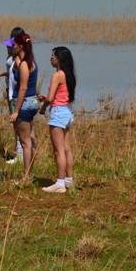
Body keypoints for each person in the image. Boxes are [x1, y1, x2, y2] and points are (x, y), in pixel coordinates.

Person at [38, 46, 77, 193]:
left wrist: (42, 108)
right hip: (67, 111)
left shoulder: (57, 75)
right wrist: (48, 99)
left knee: (58, 151)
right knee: (66, 148)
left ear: (59, 59)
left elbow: (50, 98)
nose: (51, 59)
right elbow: (59, 95)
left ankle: (59, 183)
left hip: (58, 113)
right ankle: (68, 180)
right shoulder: (69, 74)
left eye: (53, 56)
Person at [8, 32, 39, 179]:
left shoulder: (25, 64)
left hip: (24, 103)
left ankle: (26, 175)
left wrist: (16, 111)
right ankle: (30, 172)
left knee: (25, 142)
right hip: (32, 102)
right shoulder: (31, 62)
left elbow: (23, 88)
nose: (12, 47)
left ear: (20, 46)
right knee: (30, 139)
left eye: (14, 45)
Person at [1, 26, 26, 164]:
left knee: (18, 124)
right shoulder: (17, 56)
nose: (9, 47)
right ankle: (20, 151)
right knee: (17, 124)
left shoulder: (16, 58)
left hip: (15, 94)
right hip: (11, 91)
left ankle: (21, 154)